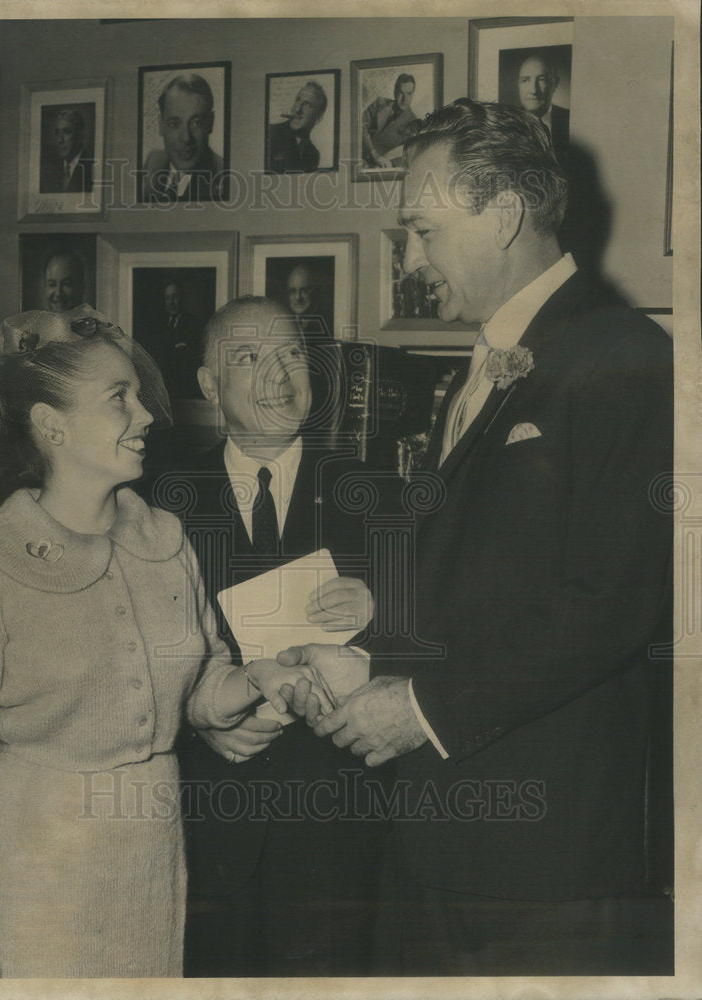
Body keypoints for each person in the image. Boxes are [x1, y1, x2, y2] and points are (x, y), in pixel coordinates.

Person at [280, 98, 673, 976]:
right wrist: (374, 658)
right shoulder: (490, 357)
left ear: (501, 216)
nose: (409, 259)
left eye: (421, 230)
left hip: (541, 853)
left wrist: (419, 708)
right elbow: (477, 572)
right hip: (442, 832)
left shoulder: (623, 355)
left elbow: (611, 600)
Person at [0, 308, 327, 978]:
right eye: (120, 400)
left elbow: (201, 686)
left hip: (153, 861)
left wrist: (261, 678)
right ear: (52, 426)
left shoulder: (165, 539)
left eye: (138, 397)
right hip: (37, 870)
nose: (145, 417)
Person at [157, 297, 397, 977]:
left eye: (291, 353)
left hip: (337, 831)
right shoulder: (158, 502)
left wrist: (379, 614)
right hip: (208, 827)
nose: (277, 375)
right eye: (248, 357)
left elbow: (437, 644)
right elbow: (128, 661)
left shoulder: (375, 492)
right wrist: (198, 720)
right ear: (208, 386)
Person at [142, 74, 226, 202]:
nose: (186, 138)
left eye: (196, 123)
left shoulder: (223, 177)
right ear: (160, 125)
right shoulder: (153, 162)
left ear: (211, 123)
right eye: (174, 124)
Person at [267, 81, 326, 173]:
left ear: (318, 117)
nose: (297, 109)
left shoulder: (313, 154)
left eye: (307, 104)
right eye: (298, 100)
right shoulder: (270, 133)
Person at [361, 73, 418, 169]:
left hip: (378, 167)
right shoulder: (379, 103)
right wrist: (374, 154)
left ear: (413, 94)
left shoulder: (413, 123)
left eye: (409, 94)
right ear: (395, 92)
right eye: (401, 93)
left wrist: (389, 163)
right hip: (358, 154)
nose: (404, 99)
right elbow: (359, 126)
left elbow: (406, 154)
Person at [159, 280, 204, 398]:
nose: (171, 302)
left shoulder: (195, 324)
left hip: (185, 391)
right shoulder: (158, 325)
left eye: (175, 297)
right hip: (165, 390)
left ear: (182, 298)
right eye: (167, 298)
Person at [517, 52, 569, 152]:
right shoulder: (505, 123)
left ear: (555, 84)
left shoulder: (570, 119)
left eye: (542, 80)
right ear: (518, 84)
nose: (533, 90)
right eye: (525, 80)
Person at [39, 108, 93, 194]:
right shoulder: (49, 171)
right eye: (57, 133)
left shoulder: (92, 168)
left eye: (66, 132)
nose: (60, 140)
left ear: (79, 135)